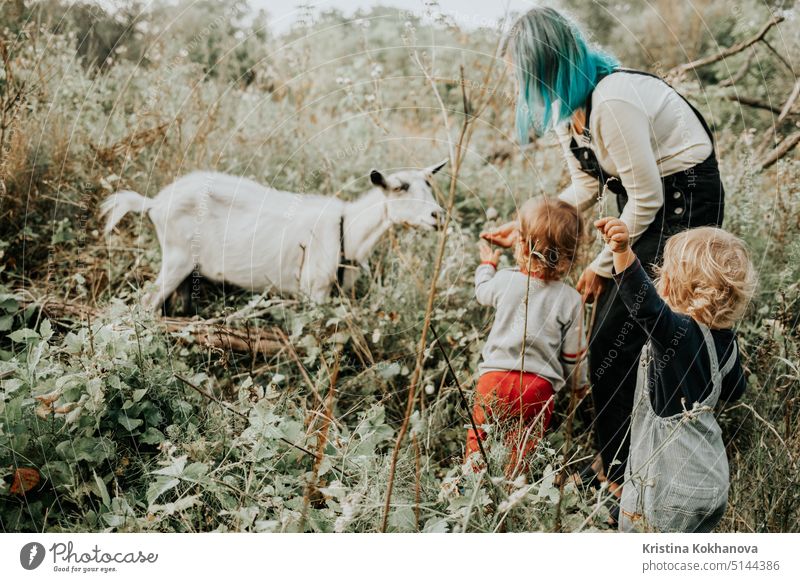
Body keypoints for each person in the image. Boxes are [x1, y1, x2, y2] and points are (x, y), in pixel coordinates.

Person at [483, 7, 725, 507]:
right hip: (643, 204)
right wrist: (531, 226)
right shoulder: (566, 110)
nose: (514, 81)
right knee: (622, 335)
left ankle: (617, 475)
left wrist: (598, 266)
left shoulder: (611, 101)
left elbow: (647, 196)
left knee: (621, 332)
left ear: (547, 65)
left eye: (518, 70)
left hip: (684, 201)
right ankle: (623, 462)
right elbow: (588, 184)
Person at [595, 216, 755, 532]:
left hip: (668, 487)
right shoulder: (726, 342)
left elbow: (648, 309)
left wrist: (623, 251)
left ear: (672, 284)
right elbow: (734, 390)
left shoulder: (677, 333)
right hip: (710, 482)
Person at [468, 198, 588, 476]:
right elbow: (574, 354)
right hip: (537, 387)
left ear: (521, 246)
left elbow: (482, 291)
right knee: (521, 448)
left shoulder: (504, 280)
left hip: (493, 380)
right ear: (570, 255)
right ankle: (512, 489)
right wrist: (578, 386)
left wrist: (487, 265)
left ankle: (471, 488)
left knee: (479, 441)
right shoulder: (571, 299)